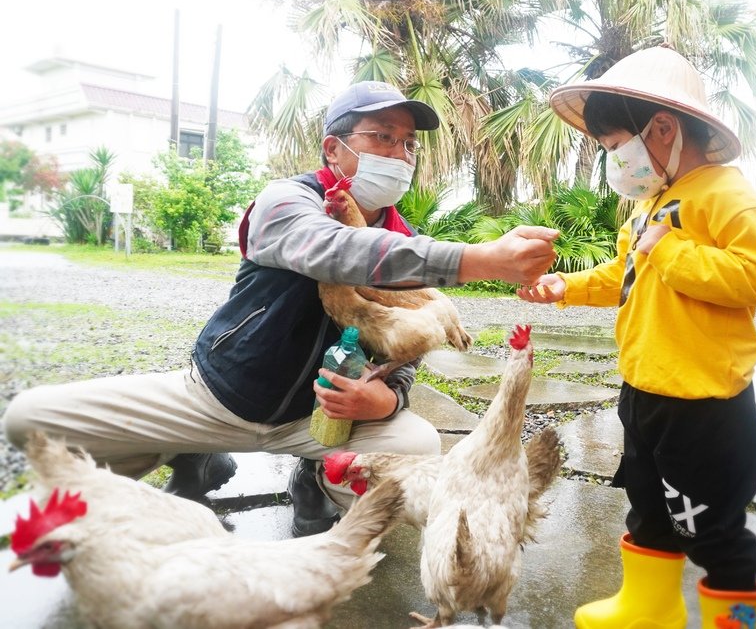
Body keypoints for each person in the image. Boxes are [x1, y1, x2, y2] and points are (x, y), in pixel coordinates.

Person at [3, 80, 559, 537]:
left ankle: (316, 480)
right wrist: (484, 259)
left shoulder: (404, 238)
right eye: (383, 137)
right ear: (334, 149)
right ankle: (189, 455)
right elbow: (336, 250)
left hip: (314, 422)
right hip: (217, 396)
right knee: (31, 417)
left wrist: (387, 396)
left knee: (414, 448)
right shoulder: (288, 201)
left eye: (408, 144)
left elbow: (407, 339)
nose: (400, 154)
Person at [517, 47, 756, 629]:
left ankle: (737, 620)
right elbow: (626, 275)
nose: (613, 159)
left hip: (703, 405)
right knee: (648, 507)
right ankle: (650, 605)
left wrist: (671, 248)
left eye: (616, 145)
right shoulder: (649, 205)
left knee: (711, 529)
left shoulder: (726, 194)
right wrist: (565, 286)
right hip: (645, 389)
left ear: (662, 128)